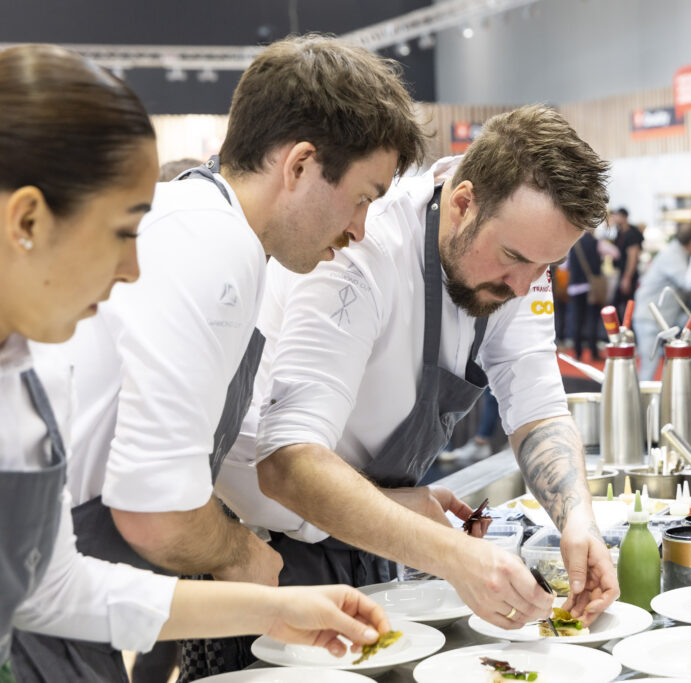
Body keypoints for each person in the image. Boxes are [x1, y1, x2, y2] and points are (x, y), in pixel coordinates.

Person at [16, 35, 426, 682]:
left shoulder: (215, 238)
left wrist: (267, 602)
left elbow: (58, 587)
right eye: (362, 197)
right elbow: (155, 512)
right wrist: (242, 557)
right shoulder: (215, 244)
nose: (361, 229)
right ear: (299, 165)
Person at [216, 106, 619, 659]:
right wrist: (454, 557)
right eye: (513, 259)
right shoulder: (361, 253)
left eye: (544, 267)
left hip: (375, 541)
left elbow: (538, 405)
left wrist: (578, 520)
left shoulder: (515, 270)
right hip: (272, 555)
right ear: (462, 203)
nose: (524, 287)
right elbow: (287, 464)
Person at [633, 224, 691, 381]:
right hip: (649, 318)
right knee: (648, 368)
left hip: (658, 317)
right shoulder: (673, 256)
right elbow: (687, 282)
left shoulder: (676, 253)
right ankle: (641, 404)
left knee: (652, 366)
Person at [567, 228, 604, 361]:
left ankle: (578, 353)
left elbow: (564, 265)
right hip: (591, 286)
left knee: (577, 319)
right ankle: (594, 352)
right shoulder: (597, 243)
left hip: (575, 286)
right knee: (593, 320)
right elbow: (616, 253)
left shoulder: (573, 243)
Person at [611, 207, 644, 319]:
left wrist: (627, 277)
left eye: (617, 216)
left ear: (624, 217)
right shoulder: (620, 233)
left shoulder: (631, 234)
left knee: (627, 305)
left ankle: (626, 331)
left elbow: (632, 257)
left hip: (629, 274)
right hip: (623, 273)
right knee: (621, 304)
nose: (615, 218)